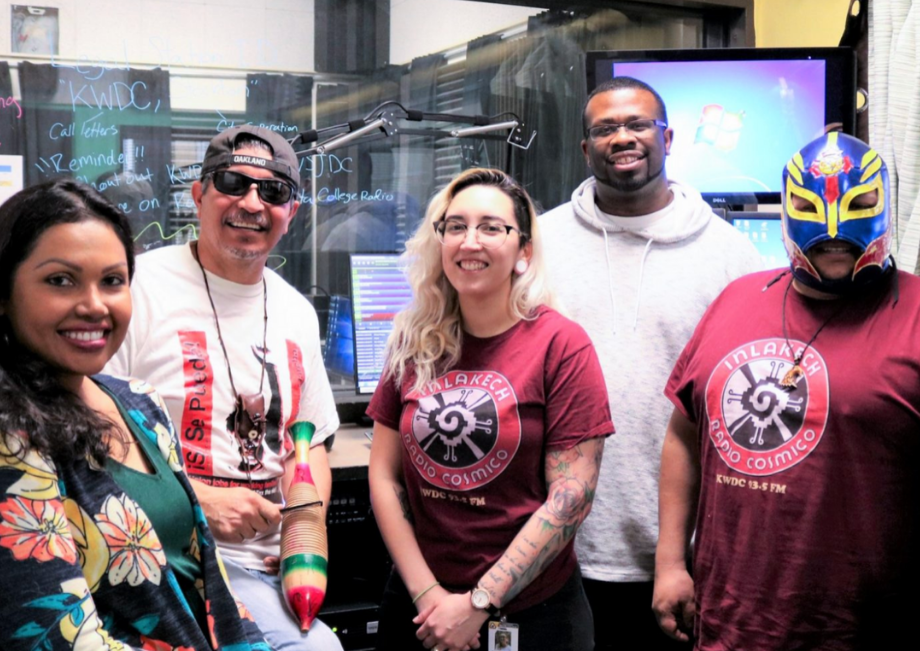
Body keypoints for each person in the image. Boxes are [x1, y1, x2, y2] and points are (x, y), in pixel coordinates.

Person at [654, 132, 920, 651]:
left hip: (874, 628)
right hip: (730, 624)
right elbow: (684, 433)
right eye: (814, 210)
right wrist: (671, 563)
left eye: (857, 206)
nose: (834, 232)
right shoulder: (737, 297)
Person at [538, 76, 762, 650]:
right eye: (605, 129)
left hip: (684, 554)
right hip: (556, 546)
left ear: (668, 136)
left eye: (637, 124)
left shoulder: (731, 255)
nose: (623, 137)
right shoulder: (540, 243)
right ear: (586, 150)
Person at [0, 181, 270, 650]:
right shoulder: (12, 433)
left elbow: (210, 582)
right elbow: (58, 640)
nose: (94, 305)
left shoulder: (138, 401)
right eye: (60, 280)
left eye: (112, 280)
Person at [105, 126, 342, 651]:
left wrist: (307, 526)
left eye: (274, 191)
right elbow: (95, 429)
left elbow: (313, 442)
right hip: (167, 558)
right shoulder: (136, 289)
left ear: (292, 214)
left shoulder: (296, 313)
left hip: (270, 570)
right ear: (199, 194)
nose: (252, 203)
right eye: (233, 183)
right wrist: (197, 501)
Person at [367, 167, 614, 651]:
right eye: (455, 226)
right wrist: (427, 595)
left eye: (491, 227)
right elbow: (384, 475)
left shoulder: (560, 344)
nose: (469, 241)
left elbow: (572, 495)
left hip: (532, 611)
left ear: (523, 250)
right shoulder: (413, 339)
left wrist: (478, 603)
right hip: (421, 606)